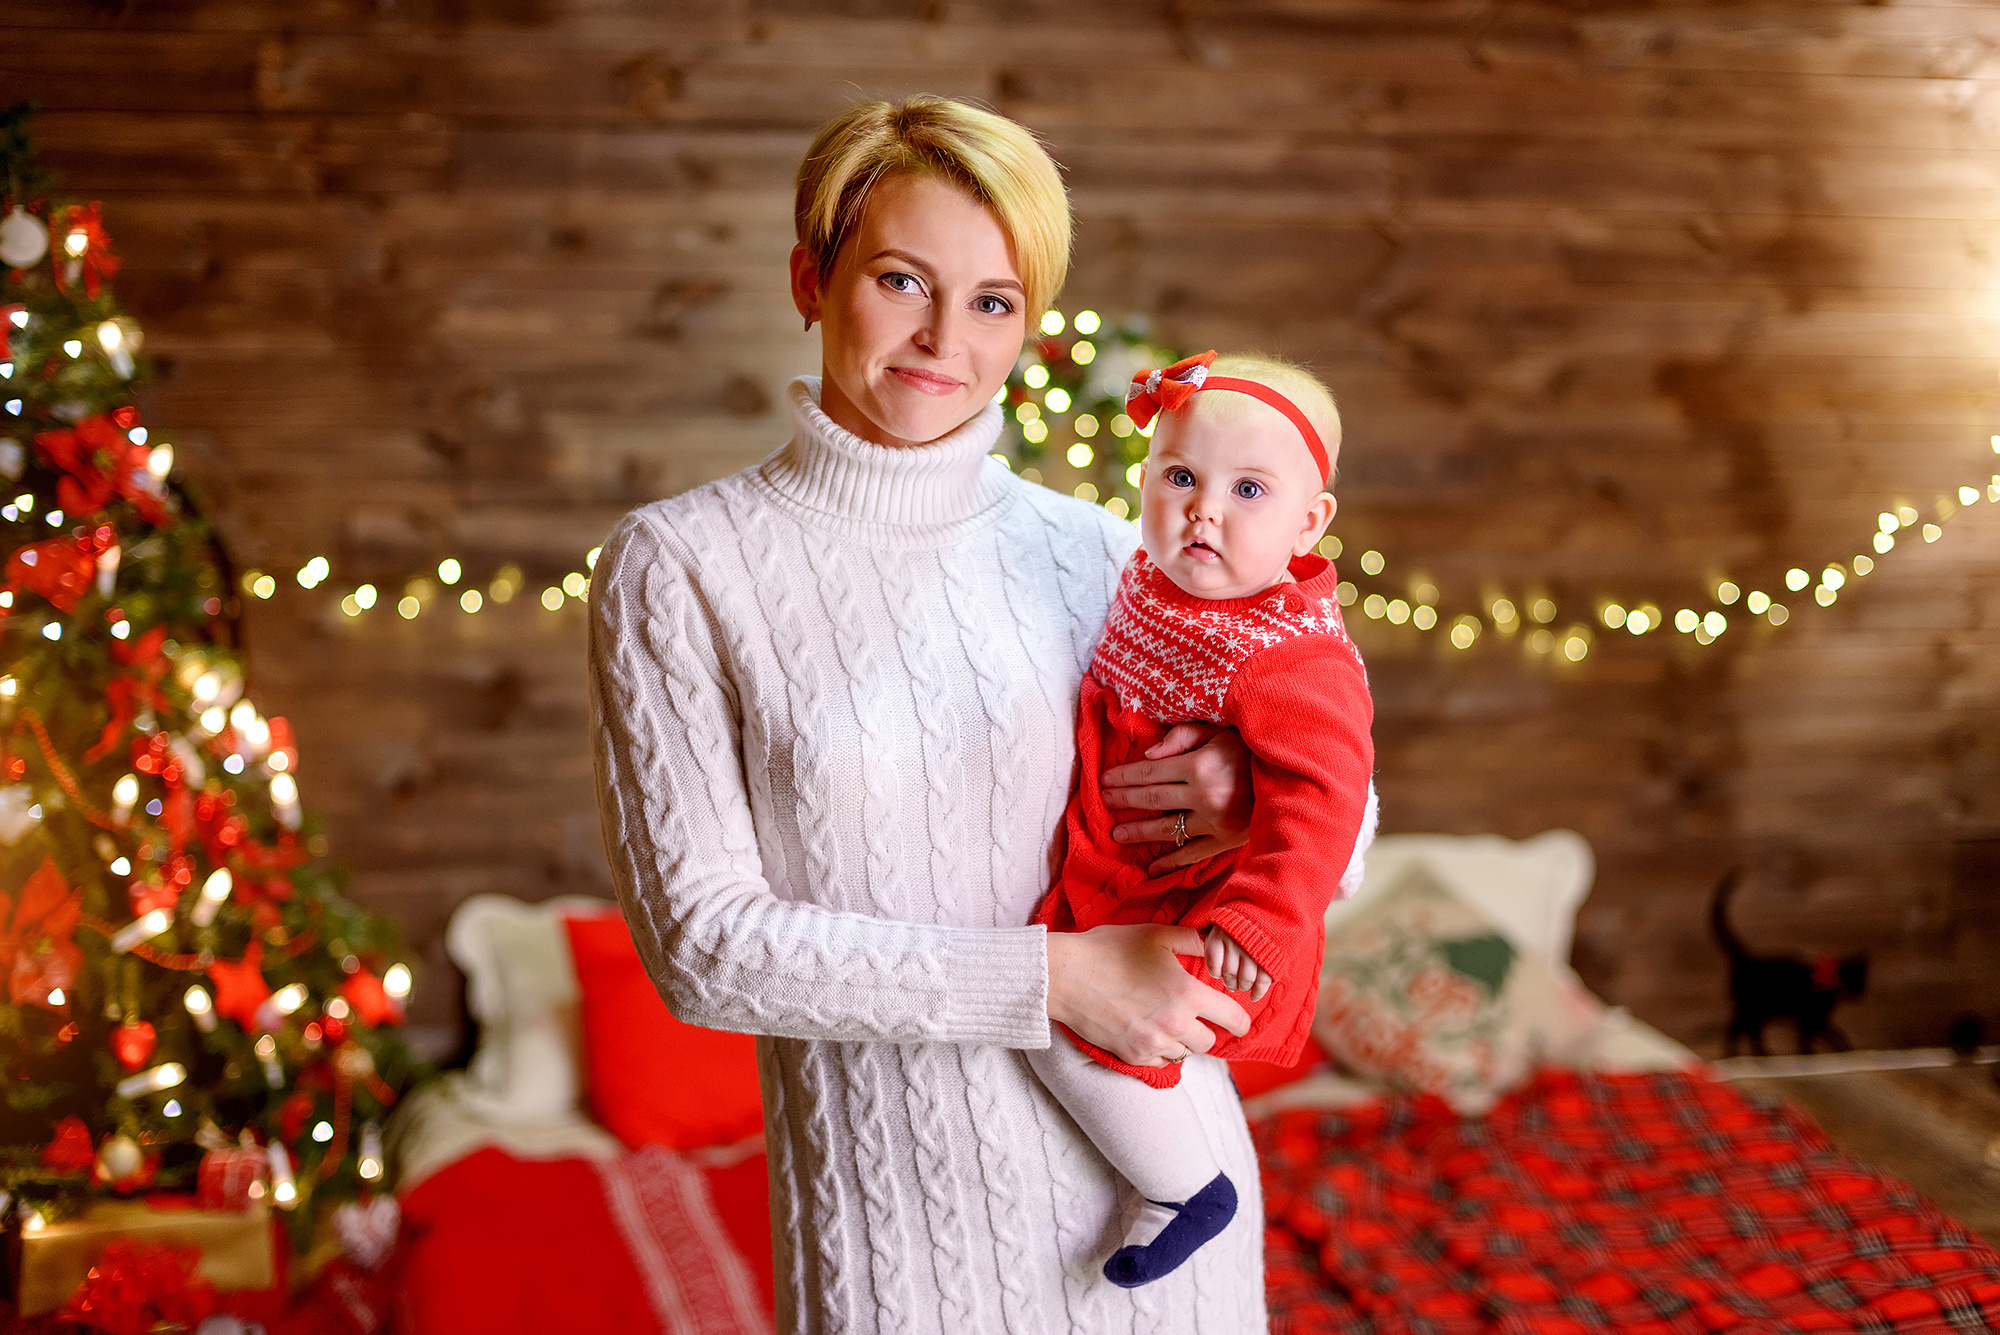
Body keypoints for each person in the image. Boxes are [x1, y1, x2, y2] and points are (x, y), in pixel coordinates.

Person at [587, 96, 1272, 1333]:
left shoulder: (1101, 554)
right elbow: (702, 948)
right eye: (900, 280)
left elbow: (1336, 807)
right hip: (896, 1262)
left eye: (992, 301)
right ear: (810, 278)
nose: (943, 338)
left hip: (1177, 1241)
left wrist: (1241, 797)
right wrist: (1048, 980)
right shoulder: (678, 567)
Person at [1026, 351, 1377, 1288]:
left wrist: (1261, 916)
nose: (1203, 510)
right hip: (1131, 876)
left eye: (1248, 489)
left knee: (1063, 1023)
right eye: (1179, 476)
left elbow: (1329, 797)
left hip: (1216, 913)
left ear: (1310, 522)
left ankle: (1182, 1185)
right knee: (1066, 1012)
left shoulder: (1287, 651)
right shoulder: (1146, 582)